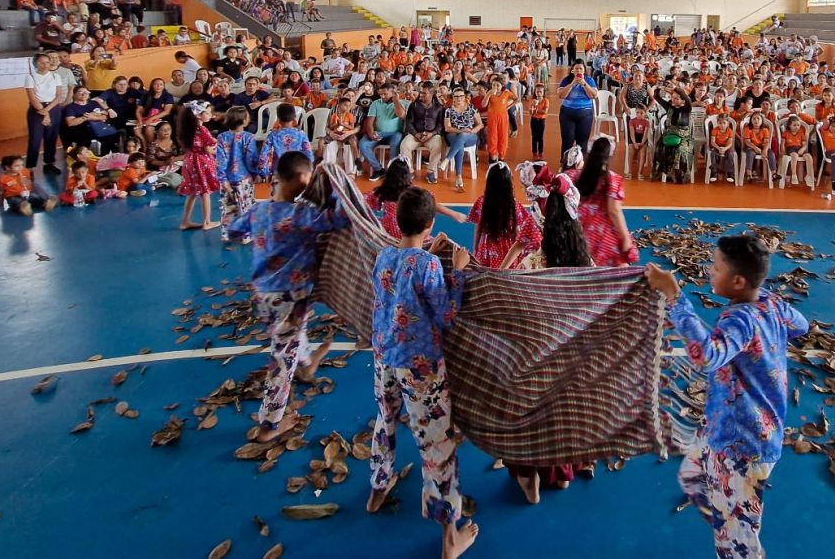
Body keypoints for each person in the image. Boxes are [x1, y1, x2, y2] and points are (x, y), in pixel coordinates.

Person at [645, 236, 809, 559]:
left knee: (735, 543)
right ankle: (731, 515)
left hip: (741, 445)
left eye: (717, 267)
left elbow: (707, 355)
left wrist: (674, 295)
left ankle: (736, 531)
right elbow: (801, 325)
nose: (710, 270)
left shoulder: (739, 320)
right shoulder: (772, 304)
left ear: (738, 281)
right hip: (731, 427)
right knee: (692, 476)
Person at [366, 188, 479, 559]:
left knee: (385, 419)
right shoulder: (429, 266)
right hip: (420, 368)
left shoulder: (384, 255)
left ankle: (378, 487)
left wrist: (428, 251)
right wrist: (457, 272)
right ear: (431, 223)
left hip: (385, 357)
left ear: (398, 221)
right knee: (437, 444)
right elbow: (446, 315)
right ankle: (449, 538)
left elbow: (403, 283)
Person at [228, 152, 351, 441]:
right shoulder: (301, 216)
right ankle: (269, 425)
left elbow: (234, 231)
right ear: (300, 179)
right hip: (290, 297)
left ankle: (306, 368)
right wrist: (333, 187)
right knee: (283, 356)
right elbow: (342, 218)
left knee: (292, 335)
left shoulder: (259, 211)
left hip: (263, 293)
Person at [505, 173, 591, 502]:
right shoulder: (587, 264)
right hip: (570, 360)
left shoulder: (531, 263)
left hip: (536, 358)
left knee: (531, 415)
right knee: (563, 414)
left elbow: (510, 303)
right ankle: (561, 472)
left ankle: (529, 477)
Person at [467, 161, 542, 269]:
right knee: (505, 274)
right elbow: (517, 232)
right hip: (507, 251)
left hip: (486, 250)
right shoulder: (514, 206)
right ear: (509, 183)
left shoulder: (481, 202)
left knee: (486, 274)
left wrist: (475, 248)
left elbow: (478, 227)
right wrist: (520, 254)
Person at [575, 137, 637, 266]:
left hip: (581, 225)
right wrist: (625, 237)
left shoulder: (579, 175)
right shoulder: (612, 179)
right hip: (602, 229)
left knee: (586, 263)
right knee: (620, 265)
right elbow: (614, 211)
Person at [215, 106, 259, 243]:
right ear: (244, 121)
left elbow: (220, 160)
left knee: (228, 207)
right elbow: (251, 159)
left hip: (227, 179)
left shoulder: (222, 137)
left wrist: (222, 179)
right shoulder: (248, 137)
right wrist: (256, 172)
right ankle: (246, 235)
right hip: (243, 178)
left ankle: (227, 234)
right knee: (245, 207)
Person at [176, 100, 220, 231]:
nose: (210, 115)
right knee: (205, 191)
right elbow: (208, 149)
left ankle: (185, 221)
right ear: (199, 115)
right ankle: (207, 221)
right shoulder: (202, 129)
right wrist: (219, 149)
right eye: (208, 113)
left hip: (189, 161)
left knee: (193, 192)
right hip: (201, 162)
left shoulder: (187, 129)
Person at [24, 52, 66, 174]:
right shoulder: (30, 77)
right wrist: (44, 113)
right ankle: (30, 167)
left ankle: (49, 163)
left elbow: (58, 96)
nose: (45, 65)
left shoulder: (55, 76)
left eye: (47, 62)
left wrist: (47, 111)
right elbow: (32, 98)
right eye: (41, 63)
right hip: (37, 109)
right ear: (35, 64)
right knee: (35, 139)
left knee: (51, 137)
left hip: (53, 108)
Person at [399, 82, 446, 183]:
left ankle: (431, 171)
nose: (421, 95)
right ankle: (410, 171)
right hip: (415, 135)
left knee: (438, 144)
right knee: (404, 145)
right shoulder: (414, 105)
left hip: (432, 136)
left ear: (431, 94)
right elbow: (408, 123)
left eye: (424, 93)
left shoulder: (439, 107)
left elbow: (440, 125)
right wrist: (416, 134)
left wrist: (432, 133)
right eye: (420, 92)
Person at [360, 83, 406, 180]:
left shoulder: (402, 103)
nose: (382, 96)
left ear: (393, 93)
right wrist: (371, 133)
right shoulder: (375, 103)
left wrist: (395, 100)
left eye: (385, 94)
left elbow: (401, 115)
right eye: (381, 94)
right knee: (363, 144)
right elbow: (370, 121)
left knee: (397, 140)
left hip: (394, 133)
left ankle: (392, 171)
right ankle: (379, 169)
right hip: (378, 133)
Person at [442, 88, 482, 193]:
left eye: (461, 96)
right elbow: (447, 128)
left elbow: (480, 124)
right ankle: (459, 177)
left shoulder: (471, 108)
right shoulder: (448, 110)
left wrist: (472, 131)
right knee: (459, 141)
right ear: (453, 98)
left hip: (470, 135)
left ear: (464, 97)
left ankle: (447, 159)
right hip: (453, 135)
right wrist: (460, 131)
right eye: (456, 96)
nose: (459, 98)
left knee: (462, 137)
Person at [259, 103, 313, 176]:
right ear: (294, 117)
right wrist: (307, 172)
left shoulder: (273, 135)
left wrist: (265, 173)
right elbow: (309, 154)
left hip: (279, 172)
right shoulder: (301, 134)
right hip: (297, 172)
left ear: (278, 118)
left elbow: (264, 155)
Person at [556, 61, 598, 156]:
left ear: (584, 71)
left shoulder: (589, 80)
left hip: (585, 114)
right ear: (572, 70)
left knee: (582, 141)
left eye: (580, 69)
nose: (578, 71)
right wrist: (572, 84)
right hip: (567, 113)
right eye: (576, 69)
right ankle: (565, 161)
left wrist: (584, 84)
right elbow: (561, 95)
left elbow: (593, 96)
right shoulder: (566, 80)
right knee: (567, 140)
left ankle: (581, 162)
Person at [527, 84, 548, 160]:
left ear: (543, 93)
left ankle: (540, 152)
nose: (539, 93)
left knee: (540, 137)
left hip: (541, 121)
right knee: (534, 137)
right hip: (534, 120)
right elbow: (531, 112)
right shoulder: (533, 101)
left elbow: (545, 111)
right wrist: (532, 108)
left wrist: (537, 110)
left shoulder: (545, 101)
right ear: (535, 92)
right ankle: (534, 152)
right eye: (537, 92)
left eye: (540, 92)